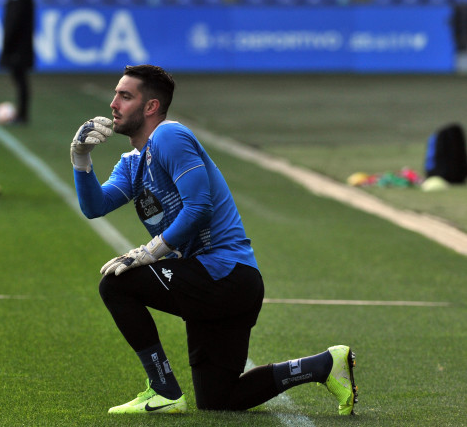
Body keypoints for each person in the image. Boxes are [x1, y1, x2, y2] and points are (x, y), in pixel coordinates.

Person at [71, 64, 358, 415]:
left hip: (225, 275)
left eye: (125, 96)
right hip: (220, 284)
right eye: (116, 94)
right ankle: (323, 365)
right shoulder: (132, 163)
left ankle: (162, 389)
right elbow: (94, 206)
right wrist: (81, 158)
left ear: (151, 107)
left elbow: (200, 207)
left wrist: (151, 252)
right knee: (219, 400)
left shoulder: (168, 137)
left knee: (116, 285)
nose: (114, 103)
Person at [0, 0, 34, 125]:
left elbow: (13, 24)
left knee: (20, 79)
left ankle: (22, 114)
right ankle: (21, 113)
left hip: (18, 46)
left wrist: (6, 48)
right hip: (21, 45)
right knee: (20, 79)